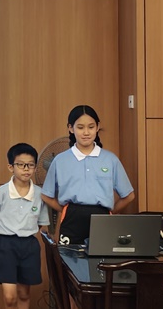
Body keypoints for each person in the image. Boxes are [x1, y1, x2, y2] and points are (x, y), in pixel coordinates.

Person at [41, 105, 135, 245]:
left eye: (91, 127)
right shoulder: (60, 160)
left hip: (102, 220)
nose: (86, 132)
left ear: (97, 127)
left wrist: (109, 211)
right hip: (71, 220)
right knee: (69, 258)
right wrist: (65, 210)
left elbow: (129, 196)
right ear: (71, 128)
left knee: (101, 257)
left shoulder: (110, 159)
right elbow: (46, 195)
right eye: (80, 127)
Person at [0, 143, 50, 309]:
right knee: (9, 297)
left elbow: (43, 225)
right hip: (7, 245)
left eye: (30, 165)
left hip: (29, 246)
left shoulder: (39, 194)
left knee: (23, 294)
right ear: (11, 167)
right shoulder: (2, 192)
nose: (26, 169)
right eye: (21, 165)